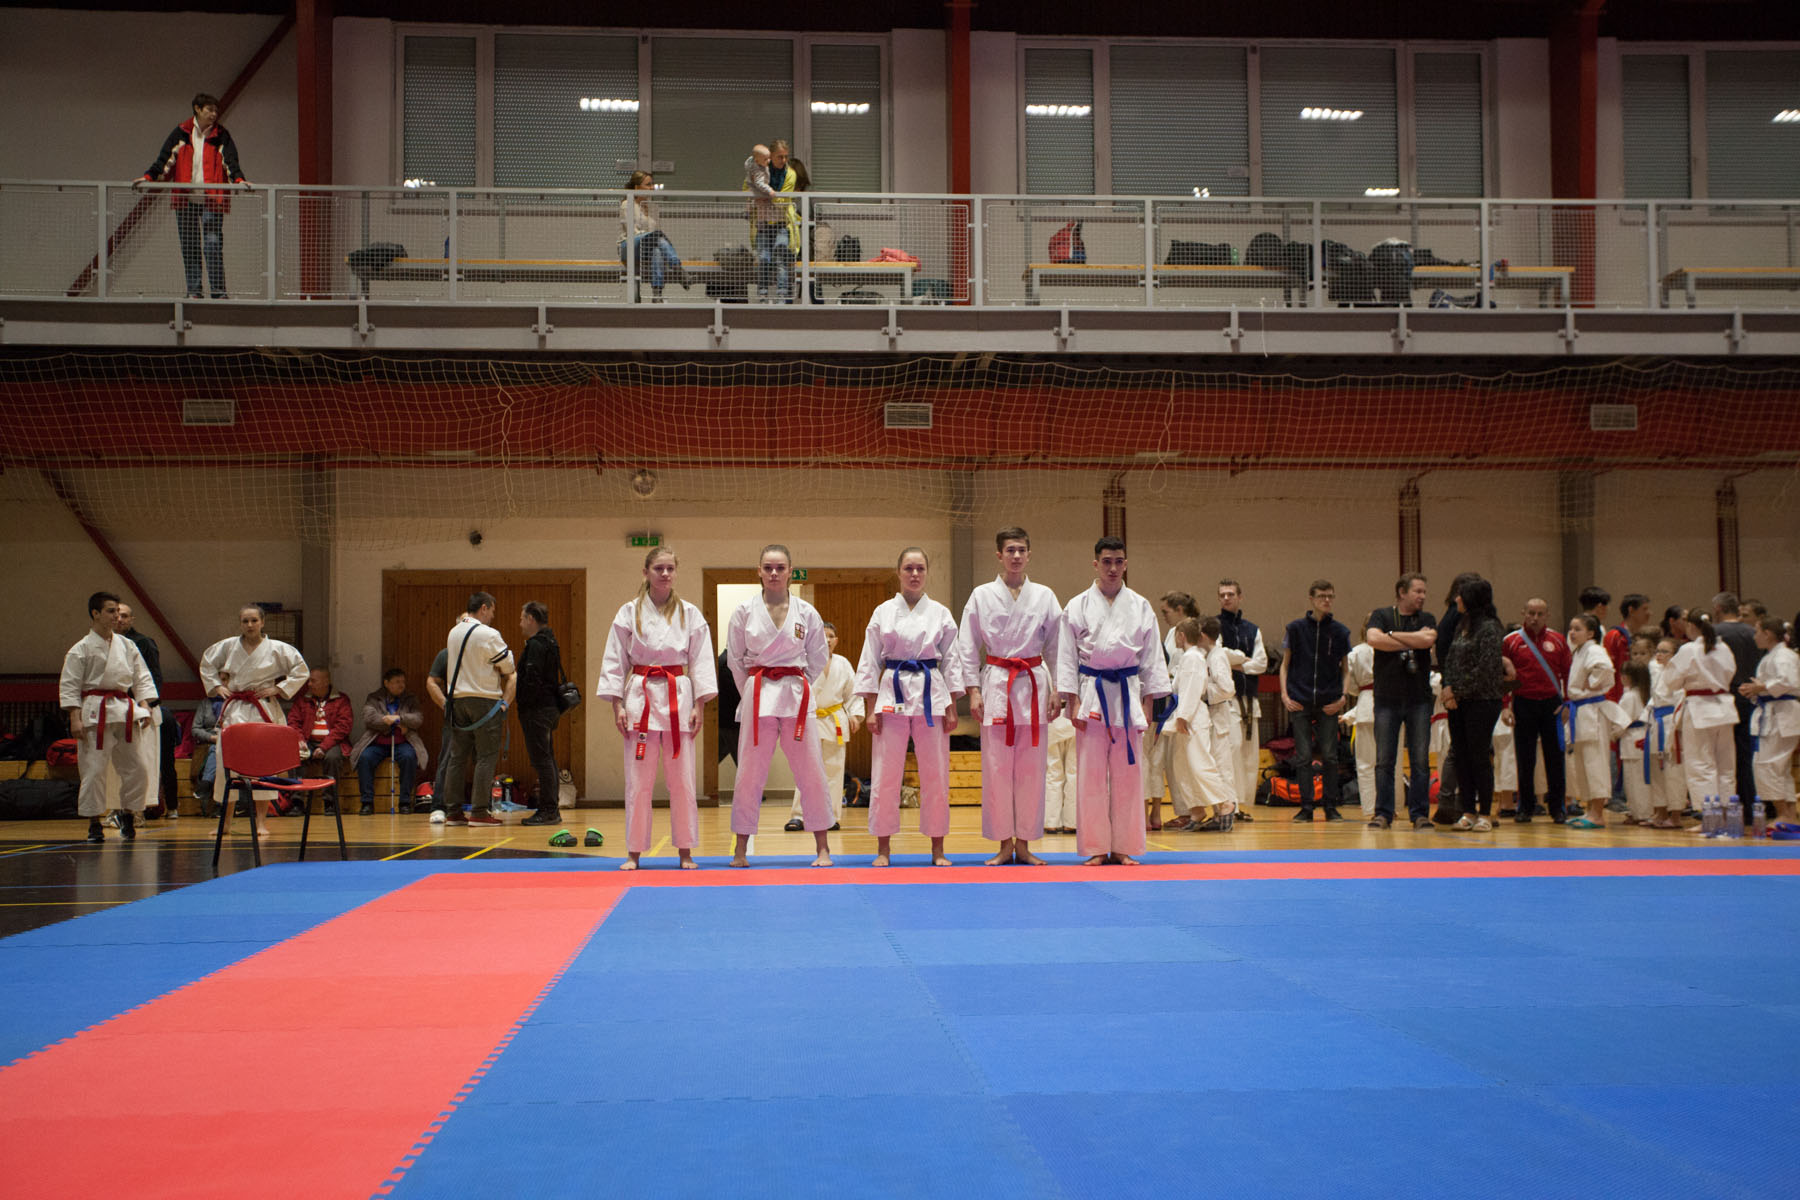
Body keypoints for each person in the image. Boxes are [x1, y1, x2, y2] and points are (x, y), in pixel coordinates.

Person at [597, 547, 718, 870]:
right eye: (658, 568)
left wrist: (699, 706)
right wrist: (617, 706)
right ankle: (634, 851)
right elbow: (614, 661)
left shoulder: (690, 613)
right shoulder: (628, 612)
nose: (665, 574)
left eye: (670, 569)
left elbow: (701, 662)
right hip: (641, 698)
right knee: (638, 782)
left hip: (679, 697)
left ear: (676, 572)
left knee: (683, 780)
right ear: (646, 572)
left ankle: (686, 851)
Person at [1055, 536, 1172, 865]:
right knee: (1090, 774)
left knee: (1128, 775)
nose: (1113, 568)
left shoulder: (1140, 605)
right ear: (1095, 564)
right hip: (1091, 693)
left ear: (1126, 564)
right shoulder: (1077, 605)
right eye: (1106, 561)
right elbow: (1066, 656)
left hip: (1128, 693)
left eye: (1119, 561)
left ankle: (1124, 846)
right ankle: (1095, 847)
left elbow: (1152, 658)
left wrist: (1148, 702)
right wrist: (1071, 700)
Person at [952, 527, 1063, 866]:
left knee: (1032, 771)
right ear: (999, 555)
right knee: (997, 770)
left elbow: (1057, 646)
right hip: (997, 683)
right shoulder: (982, 595)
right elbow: (967, 645)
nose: (1016, 555)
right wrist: (973, 690)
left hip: (1033, 684)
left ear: (1029, 554)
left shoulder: (1044, 596)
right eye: (1010, 550)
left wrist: (1058, 689)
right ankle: (1003, 844)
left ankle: (1025, 844)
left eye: (1021, 550)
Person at [725, 544, 834, 868]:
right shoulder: (744, 611)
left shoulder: (806, 612)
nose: (774, 573)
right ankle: (740, 849)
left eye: (780, 568)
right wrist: (752, 690)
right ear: (759, 571)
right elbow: (735, 660)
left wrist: (798, 683)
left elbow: (818, 656)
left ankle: (823, 848)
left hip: (796, 696)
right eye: (768, 567)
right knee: (749, 773)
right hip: (758, 694)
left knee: (811, 770)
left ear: (790, 572)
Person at [856, 548, 961, 868]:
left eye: (920, 568)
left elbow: (952, 660)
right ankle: (883, 848)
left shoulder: (940, 613)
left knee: (936, 774)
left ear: (927, 572)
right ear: (898, 572)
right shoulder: (883, 612)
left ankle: (938, 848)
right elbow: (869, 660)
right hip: (892, 691)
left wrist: (952, 706)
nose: (914, 574)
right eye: (908, 568)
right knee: (886, 774)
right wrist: (870, 708)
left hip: (932, 693)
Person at [59, 592, 157, 843]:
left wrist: (145, 704)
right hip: (94, 712)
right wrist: (74, 717)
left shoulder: (127, 645)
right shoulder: (81, 649)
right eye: (111, 611)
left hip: (124, 709)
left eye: (118, 612)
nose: (117, 617)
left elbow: (141, 677)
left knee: (138, 768)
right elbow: (70, 685)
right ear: (95, 614)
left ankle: (128, 814)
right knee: (93, 770)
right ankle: (94, 822)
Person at [199, 604, 308, 819]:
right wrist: (217, 686)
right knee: (226, 760)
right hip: (236, 707)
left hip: (263, 707)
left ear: (262, 622)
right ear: (240, 623)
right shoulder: (228, 646)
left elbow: (301, 670)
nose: (250, 625)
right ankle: (225, 822)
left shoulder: (277, 648)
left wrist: (279, 688)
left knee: (263, 763)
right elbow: (207, 664)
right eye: (245, 621)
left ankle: (261, 822)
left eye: (254, 620)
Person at [136, 92, 248, 300]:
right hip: (185, 200)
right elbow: (165, 159)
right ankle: (195, 291)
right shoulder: (182, 132)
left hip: (211, 200)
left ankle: (218, 292)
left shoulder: (221, 134)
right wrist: (149, 176)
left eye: (216, 111)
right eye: (210, 110)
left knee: (213, 245)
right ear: (197, 109)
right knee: (190, 246)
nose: (214, 114)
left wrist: (239, 179)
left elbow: (231, 161)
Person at [1364, 575, 1439, 830]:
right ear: (1402, 592)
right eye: (1417, 591)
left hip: (1419, 699)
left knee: (1420, 760)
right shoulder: (1381, 615)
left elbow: (1427, 640)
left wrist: (1392, 636)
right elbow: (1374, 639)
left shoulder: (1427, 618)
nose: (1422, 596)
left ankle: (1419, 814)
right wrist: (1411, 639)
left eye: (1424, 592)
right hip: (1387, 698)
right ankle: (1383, 813)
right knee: (1385, 760)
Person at [439, 592, 517, 828]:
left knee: (457, 757)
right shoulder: (488, 633)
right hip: (484, 700)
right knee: (486, 757)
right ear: (484, 608)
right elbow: (508, 666)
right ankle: (480, 812)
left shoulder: (453, 632)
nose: (492, 616)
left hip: (457, 701)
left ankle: (453, 812)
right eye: (492, 611)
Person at [1280, 580, 1351, 823]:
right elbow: (1284, 665)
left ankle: (1331, 806)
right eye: (1322, 596)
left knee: (1330, 756)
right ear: (1311, 599)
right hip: (1299, 699)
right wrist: (1284, 696)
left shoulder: (1340, 632)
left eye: (1330, 596)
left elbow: (1346, 669)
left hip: (1329, 701)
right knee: (1303, 757)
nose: (1326, 600)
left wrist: (1343, 698)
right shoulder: (1295, 629)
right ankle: (1306, 807)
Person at [1440, 577, 1507, 832]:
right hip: (1457, 701)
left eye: (1461, 595)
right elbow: (1450, 660)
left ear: (1472, 600)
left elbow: (1486, 668)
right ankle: (1467, 810)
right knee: (1461, 756)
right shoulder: (1462, 625)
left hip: (1482, 700)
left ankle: (1485, 813)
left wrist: (1456, 690)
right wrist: (1448, 687)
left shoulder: (1490, 628)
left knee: (1479, 757)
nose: (1456, 599)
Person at [785, 622, 861, 833]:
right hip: (809, 718)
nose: (827, 639)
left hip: (834, 720)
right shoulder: (803, 661)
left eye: (831, 636)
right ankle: (799, 816)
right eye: (823, 635)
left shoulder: (843, 664)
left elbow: (852, 693)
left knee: (834, 771)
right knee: (806, 770)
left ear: (836, 641)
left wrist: (855, 715)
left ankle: (830, 816)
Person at [1501, 597, 1572, 824]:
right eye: (1531, 613)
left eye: (1540, 614)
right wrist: (1505, 706)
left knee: (1555, 758)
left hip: (1553, 705)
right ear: (1524, 612)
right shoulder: (1511, 641)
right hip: (1523, 703)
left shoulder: (1558, 640)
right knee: (1525, 759)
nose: (1535, 618)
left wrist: (1568, 703)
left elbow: (1568, 673)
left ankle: (1557, 808)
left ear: (1547, 615)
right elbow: (1504, 676)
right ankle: (1525, 807)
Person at [1665, 606, 1739, 817]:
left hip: (1699, 708)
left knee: (1701, 764)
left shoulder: (1689, 649)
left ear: (1690, 625)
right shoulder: (1723, 648)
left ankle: (1710, 817)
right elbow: (1731, 673)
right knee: (1725, 765)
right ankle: (1727, 814)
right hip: (1724, 707)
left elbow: (1671, 681)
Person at [1168, 617, 1237, 830]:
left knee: (1200, 763)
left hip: (1192, 717)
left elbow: (1191, 689)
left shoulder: (1193, 658)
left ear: (1181, 636)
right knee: (1182, 766)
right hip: (1186, 714)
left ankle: (1224, 804)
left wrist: (1183, 717)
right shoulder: (1190, 657)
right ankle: (1196, 810)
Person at [114, 603, 175, 821]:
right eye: (116, 615)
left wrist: (146, 704)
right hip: (115, 709)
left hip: (141, 709)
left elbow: (153, 677)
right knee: (117, 764)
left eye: (125, 616)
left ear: (132, 619)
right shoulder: (106, 643)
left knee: (143, 761)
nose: (120, 619)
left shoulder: (143, 643)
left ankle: (138, 810)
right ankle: (117, 808)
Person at [1215, 580, 1268, 822]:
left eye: (1231, 594)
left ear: (1240, 597)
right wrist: (1242, 660)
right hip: (1228, 701)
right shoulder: (1214, 626)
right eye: (1222, 595)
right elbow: (1219, 656)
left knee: (1249, 756)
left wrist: (1239, 665)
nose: (1226, 598)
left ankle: (1243, 804)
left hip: (1250, 700)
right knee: (1232, 751)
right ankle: (1231, 803)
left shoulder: (1252, 629)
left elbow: (1262, 663)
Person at [1143, 591, 1196, 831]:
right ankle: (1155, 813)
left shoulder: (1184, 638)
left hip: (1159, 707)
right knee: (1158, 762)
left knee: (1147, 761)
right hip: (1165, 708)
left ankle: (1147, 815)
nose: (1163, 616)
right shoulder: (1168, 637)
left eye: (1166, 611)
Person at [1740, 616, 1799, 823]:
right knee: (1778, 767)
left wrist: (1761, 687)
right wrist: (1755, 690)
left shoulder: (1784, 655)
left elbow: (1788, 681)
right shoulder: (1773, 655)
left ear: (1767, 634)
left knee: (1768, 764)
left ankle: (1783, 813)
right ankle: (1789, 814)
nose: (1754, 636)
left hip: (1781, 714)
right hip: (1774, 712)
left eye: (1757, 632)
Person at [1562, 615, 1617, 829]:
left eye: (1577, 629)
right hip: (1581, 710)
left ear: (1591, 633)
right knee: (1583, 764)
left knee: (1595, 762)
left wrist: (1592, 683)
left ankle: (1598, 813)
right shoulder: (1579, 651)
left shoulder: (1594, 650)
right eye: (1571, 628)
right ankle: (1590, 810)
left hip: (1593, 710)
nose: (1572, 632)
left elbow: (1606, 668)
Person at [515, 601, 568, 826]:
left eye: (522, 618)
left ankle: (548, 810)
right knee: (547, 759)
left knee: (543, 760)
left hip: (537, 709)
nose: (520, 623)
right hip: (549, 707)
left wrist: (524, 703)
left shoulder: (537, 645)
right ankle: (551, 808)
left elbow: (532, 679)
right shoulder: (550, 641)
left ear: (531, 619)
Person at [1712, 591, 1764, 815]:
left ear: (1718, 609)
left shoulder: (1714, 633)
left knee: (1723, 756)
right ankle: (1752, 805)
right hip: (1751, 696)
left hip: (1724, 697)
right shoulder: (1753, 632)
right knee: (1747, 753)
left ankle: (1727, 805)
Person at [350, 668, 427, 815]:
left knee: (409, 757)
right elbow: (369, 718)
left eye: (403, 681)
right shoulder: (374, 698)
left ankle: (405, 802)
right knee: (364, 758)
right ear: (386, 683)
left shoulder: (410, 698)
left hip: (403, 742)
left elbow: (418, 719)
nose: (401, 685)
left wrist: (399, 718)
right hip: (377, 741)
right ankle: (367, 802)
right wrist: (389, 721)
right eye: (397, 682)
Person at [286, 668, 353, 814]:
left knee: (333, 758)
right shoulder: (302, 699)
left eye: (313, 681)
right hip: (308, 741)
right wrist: (299, 740)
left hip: (332, 743)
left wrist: (323, 747)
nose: (309, 684)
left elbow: (343, 726)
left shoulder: (341, 700)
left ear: (326, 682)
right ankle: (297, 802)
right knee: (295, 756)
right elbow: (293, 721)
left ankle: (330, 803)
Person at [619, 170, 690, 302]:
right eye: (648, 184)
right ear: (637, 187)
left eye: (652, 184)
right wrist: (651, 236)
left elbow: (656, 235)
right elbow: (631, 232)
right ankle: (679, 270)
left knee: (657, 250)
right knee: (657, 236)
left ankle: (657, 294)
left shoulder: (652, 207)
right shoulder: (627, 204)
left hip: (647, 247)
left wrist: (653, 236)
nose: (652, 187)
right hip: (629, 246)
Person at [743, 142, 795, 303]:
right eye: (780, 157)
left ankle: (782, 295)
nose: (784, 160)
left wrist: (764, 196)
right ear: (770, 156)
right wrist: (757, 197)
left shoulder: (790, 174)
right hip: (763, 222)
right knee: (764, 258)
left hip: (781, 222)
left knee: (781, 257)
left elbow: (782, 199)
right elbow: (747, 188)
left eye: (786, 156)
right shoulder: (758, 169)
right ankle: (763, 294)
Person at [1647, 634, 1687, 827]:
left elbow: (1681, 701)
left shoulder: (1679, 675)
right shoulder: (1657, 672)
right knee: (1657, 769)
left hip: (1671, 723)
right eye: (1658, 651)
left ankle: (1676, 815)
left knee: (1673, 771)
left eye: (1665, 651)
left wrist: (1676, 729)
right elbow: (1653, 701)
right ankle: (1661, 812)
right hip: (1657, 721)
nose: (1659, 655)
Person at [1341, 627, 1378, 817]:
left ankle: (1370, 807)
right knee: (1391, 763)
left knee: (1365, 763)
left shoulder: (1356, 652)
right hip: (1393, 703)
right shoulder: (1395, 649)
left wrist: (1362, 691)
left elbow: (1351, 684)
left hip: (1366, 704)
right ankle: (1393, 806)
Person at [1616, 662, 1655, 826]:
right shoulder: (1645, 693)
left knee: (1634, 780)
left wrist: (1611, 734)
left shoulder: (1630, 696)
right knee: (1640, 779)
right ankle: (1639, 811)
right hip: (1643, 736)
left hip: (1632, 738)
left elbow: (1621, 722)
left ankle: (1642, 813)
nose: (1621, 677)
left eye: (1624, 674)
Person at [1044, 713, 1078, 835]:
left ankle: (1051, 823)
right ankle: (1071, 823)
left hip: (1052, 718)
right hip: (1075, 717)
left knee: (1053, 772)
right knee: (1074, 772)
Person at [189, 693, 222, 815]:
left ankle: (206, 783)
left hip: (230, 741)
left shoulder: (236, 702)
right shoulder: (205, 703)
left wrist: (222, 738)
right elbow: (195, 729)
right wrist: (211, 737)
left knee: (218, 749)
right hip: (209, 742)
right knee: (216, 749)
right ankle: (219, 805)